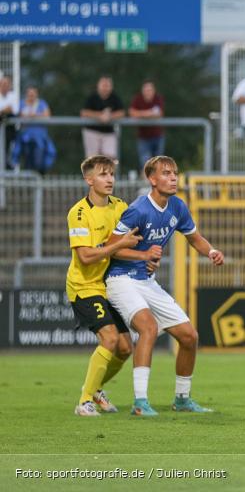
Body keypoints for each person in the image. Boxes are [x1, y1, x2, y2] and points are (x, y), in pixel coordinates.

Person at [105, 156, 225, 416]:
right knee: (148, 328)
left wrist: (212, 251)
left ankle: (182, 399)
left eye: (175, 172)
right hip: (121, 279)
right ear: (152, 179)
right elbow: (110, 249)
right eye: (166, 173)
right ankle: (140, 403)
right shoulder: (138, 209)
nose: (173, 178)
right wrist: (143, 256)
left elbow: (194, 237)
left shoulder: (178, 207)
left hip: (146, 281)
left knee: (189, 336)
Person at [66, 155, 144, 416]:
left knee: (124, 348)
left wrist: (145, 257)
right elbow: (85, 257)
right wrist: (119, 245)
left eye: (111, 173)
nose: (110, 179)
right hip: (84, 286)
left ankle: (96, 388)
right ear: (89, 180)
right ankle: (84, 401)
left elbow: (133, 242)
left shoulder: (120, 206)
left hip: (109, 284)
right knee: (110, 339)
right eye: (102, 174)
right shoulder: (79, 213)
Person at [11, 86, 56, 174]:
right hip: (25, 138)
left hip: (40, 138)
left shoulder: (42, 103)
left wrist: (33, 116)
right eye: (29, 94)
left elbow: (47, 115)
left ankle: (38, 179)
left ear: (36, 94)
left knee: (40, 159)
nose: (31, 97)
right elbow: (19, 114)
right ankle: (30, 181)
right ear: (26, 95)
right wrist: (35, 116)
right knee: (28, 159)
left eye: (33, 94)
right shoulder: (21, 103)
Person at [80, 75, 124, 160]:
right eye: (104, 85)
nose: (105, 88)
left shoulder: (115, 98)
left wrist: (110, 116)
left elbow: (121, 113)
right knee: (92, 161)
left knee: (109, 160)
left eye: (108, 85)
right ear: (98, 85)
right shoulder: (92, 97)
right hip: (92, 131)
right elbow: (84, 113)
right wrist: (100, 116)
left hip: (108, 132)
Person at [129, 80, 165, 169]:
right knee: (145, 163)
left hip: (157, 136)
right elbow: (132, 113)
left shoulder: (158, 98)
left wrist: (141, 115)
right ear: (142, 91)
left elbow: (159, 114)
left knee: (158, 164)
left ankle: (157, 183)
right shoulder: (137, 98)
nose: (148, 92)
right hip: (143, 137)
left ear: (154, 90)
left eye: (150, 90)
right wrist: (150, 113)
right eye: (146, 90)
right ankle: (146, 182)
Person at [0, 75, 17, 165]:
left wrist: (2, 111)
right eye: (3, 84)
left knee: (7, 151)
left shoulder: (13, 96)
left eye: (7, 84)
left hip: (8, 130)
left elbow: (13, 110)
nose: (5, 87)